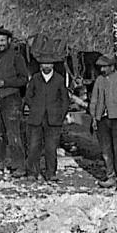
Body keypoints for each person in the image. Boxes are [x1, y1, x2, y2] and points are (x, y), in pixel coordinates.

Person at [0, 27, 30, 175]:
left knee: (13, 133)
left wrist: (5, 83)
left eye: (2, 40)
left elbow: (23, 79)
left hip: (11, 99)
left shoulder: (16, 57)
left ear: (8, 41)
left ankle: (19, 166)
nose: (0, 43)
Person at [23, 54, 70, 183]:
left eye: (49, 64)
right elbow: (28, 96)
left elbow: (65, 100)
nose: (46, 66)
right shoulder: (35, 79)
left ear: (53, 65)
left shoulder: (59, 80)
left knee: (51, 148)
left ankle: (51, 173)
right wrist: (35, 107)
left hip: (53, 120)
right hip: (36, 118)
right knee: (33, 147)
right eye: (44, 64)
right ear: (40, 66)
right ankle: (32, 172)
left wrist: (60, 115)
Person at [90, 54, 117, 191]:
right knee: (105, 151)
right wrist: (94, 118)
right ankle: (110, 177)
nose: (102, 69)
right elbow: (94, 100)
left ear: (112, 67)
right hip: (102, 119)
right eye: (101, 67)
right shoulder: (99, 81)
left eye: (105, 67)